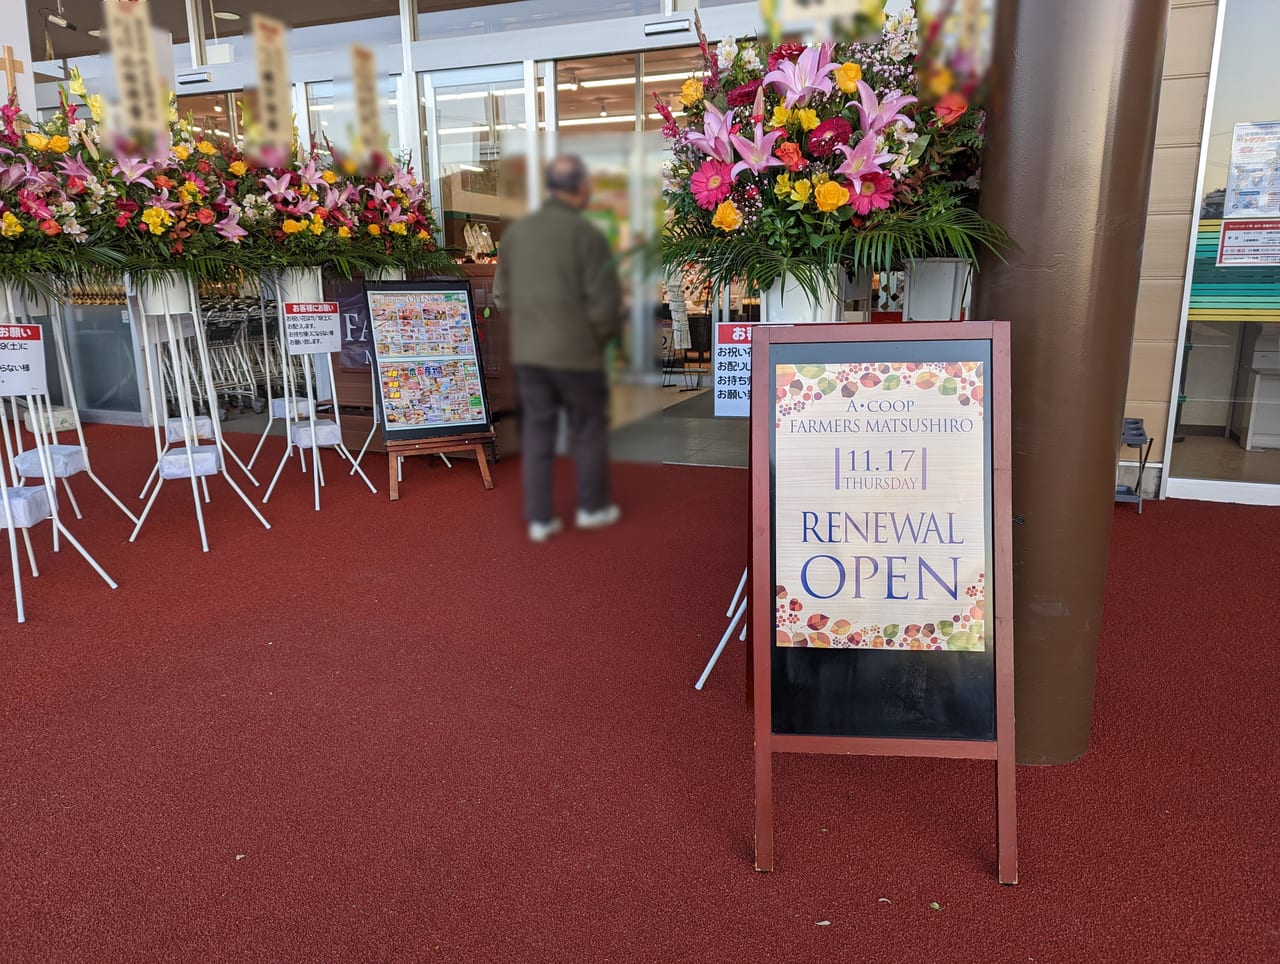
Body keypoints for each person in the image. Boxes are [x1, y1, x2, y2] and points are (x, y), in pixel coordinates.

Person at [494, 155, 623, 543]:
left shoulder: (517, 234)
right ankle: (592, 507)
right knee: (587, 432)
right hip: (578, 356)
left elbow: (501, 295)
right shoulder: (588, 235)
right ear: (581, 188)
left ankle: (539, 517)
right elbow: (605, 303)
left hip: (531, 354)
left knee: (537, 434)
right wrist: (595, 340)